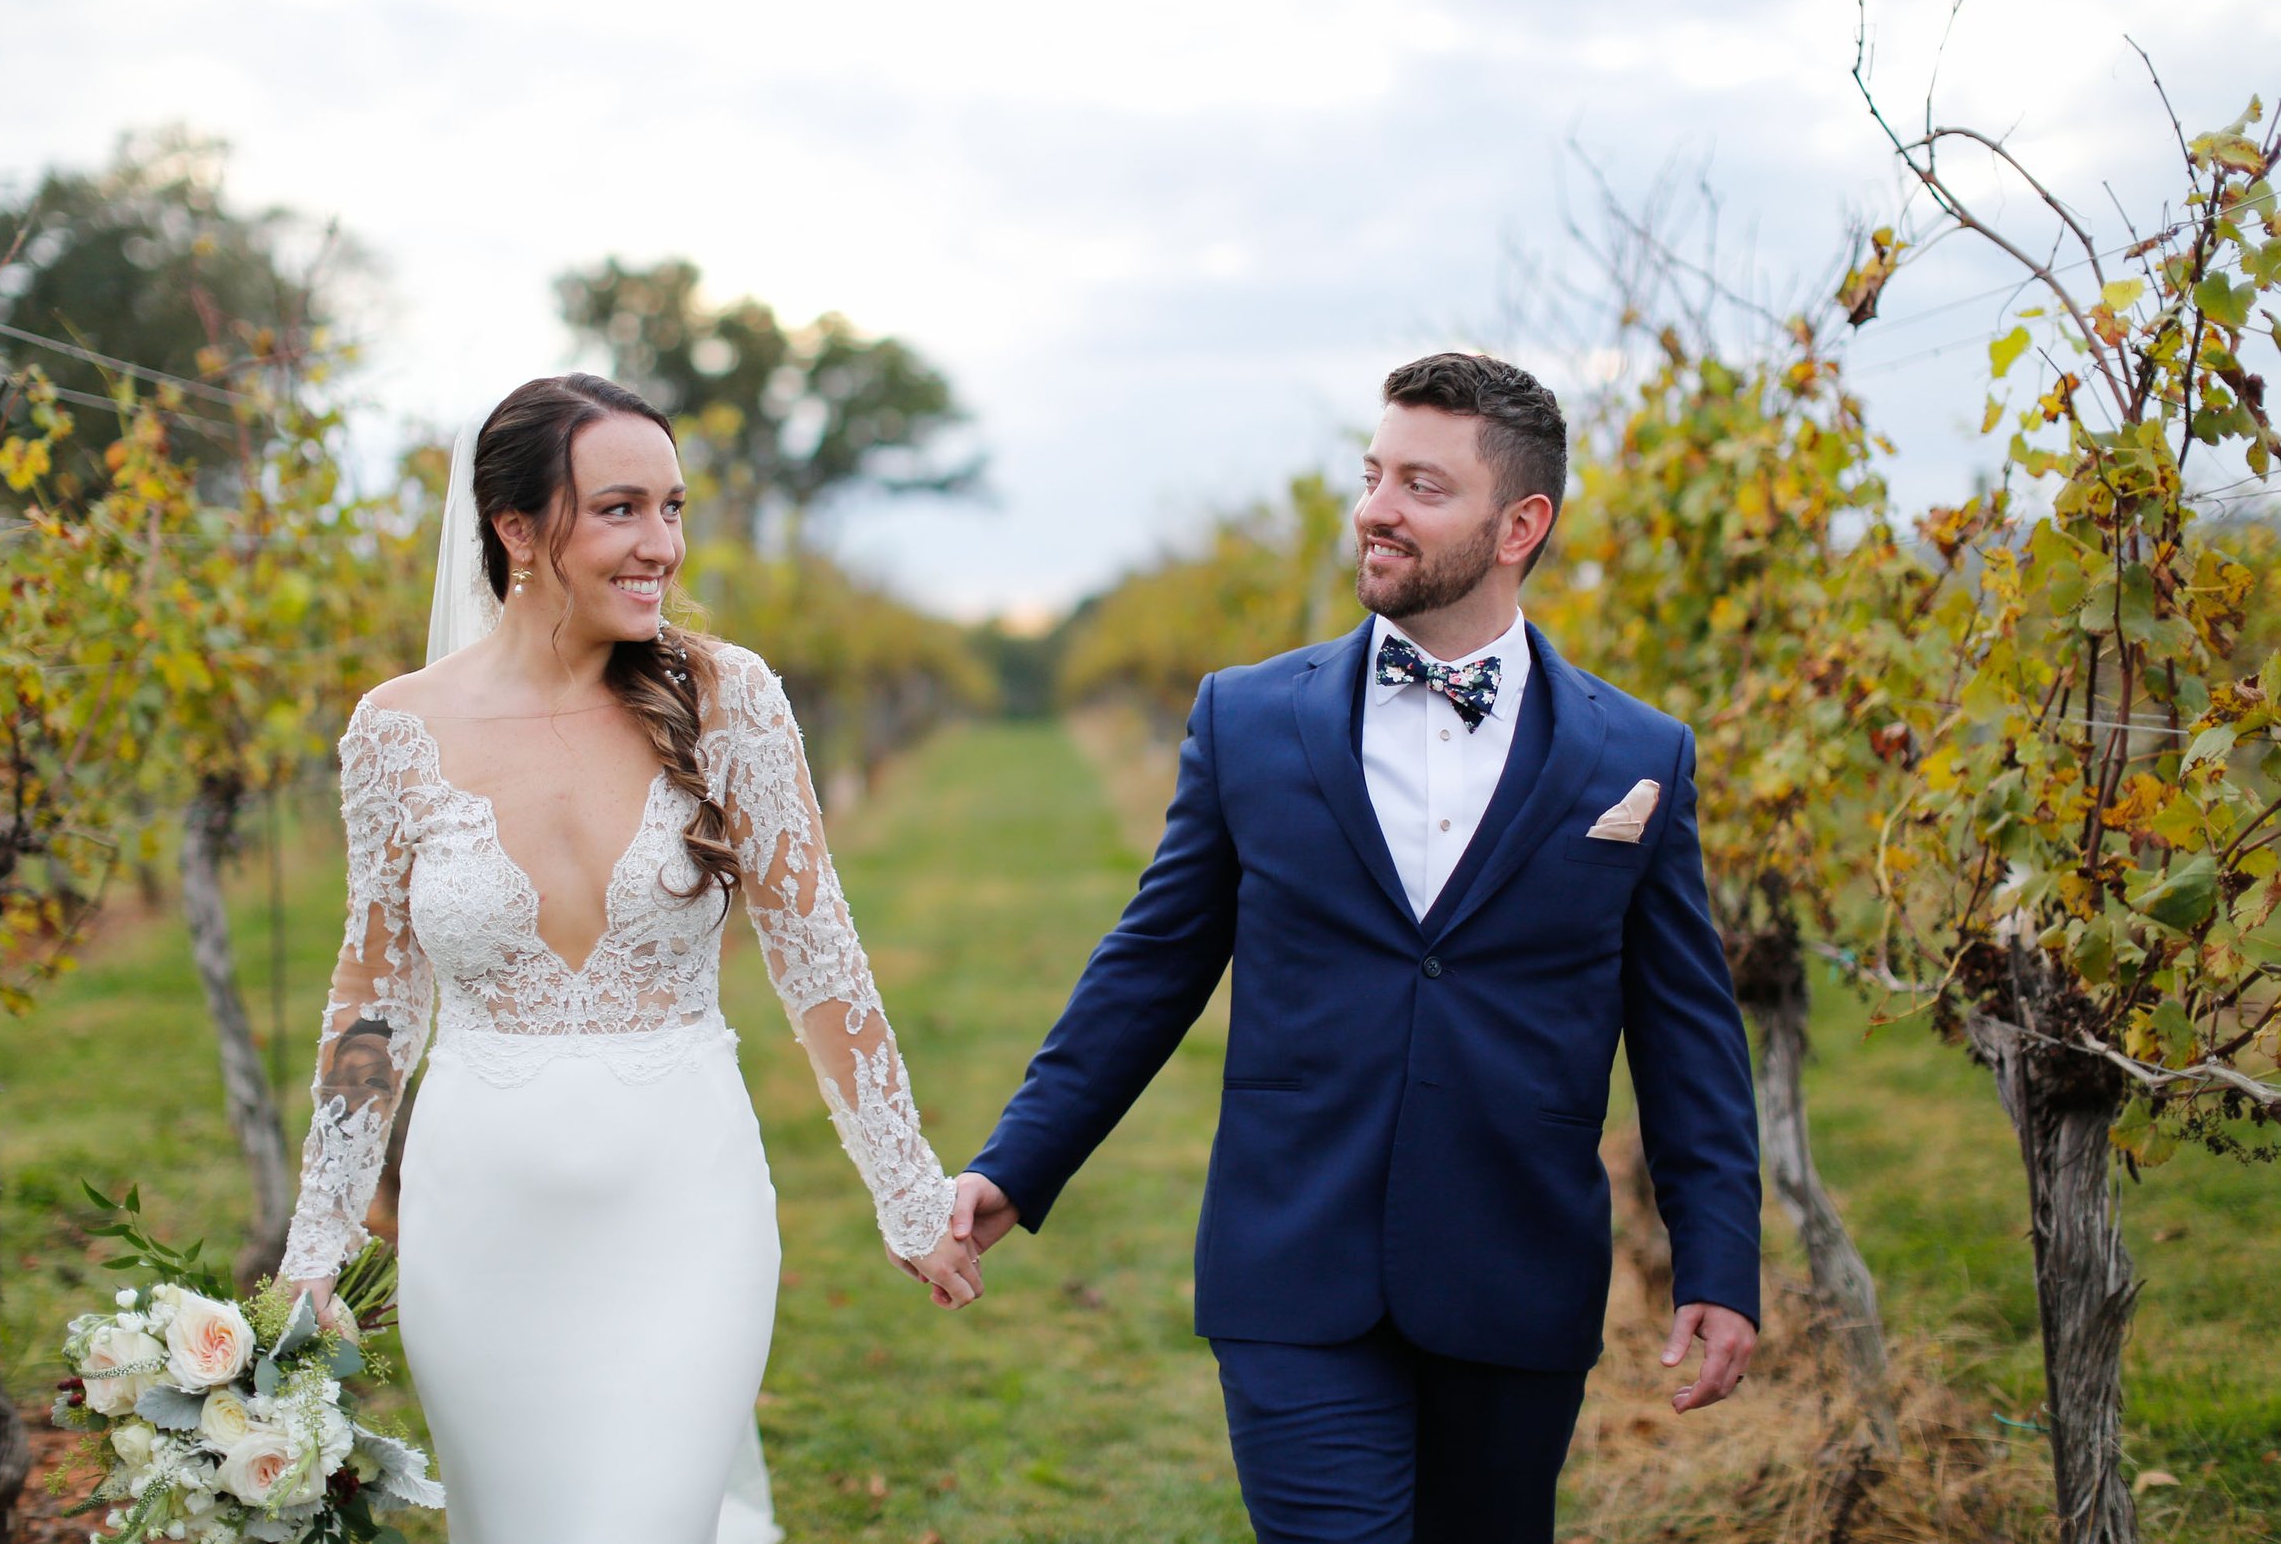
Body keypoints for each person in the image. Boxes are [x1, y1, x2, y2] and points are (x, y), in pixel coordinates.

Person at [951, 352, 1763, 1543]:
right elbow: (1153, 961)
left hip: (1515, 1265)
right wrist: (1016, 1163)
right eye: (1373, 471)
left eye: (1422, 485)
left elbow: (1688, 1029)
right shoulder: (1248, 718)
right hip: (1293, 1251)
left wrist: (1717, 1261)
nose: (1375, 506)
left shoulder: (1634, 755)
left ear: (1518, 524)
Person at [278, 373, 981, 1544]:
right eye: (620, 509)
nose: (663, 543)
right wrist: (320, 1234)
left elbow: (819, 958)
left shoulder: (729, 697)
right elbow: (375, 1003)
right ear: (515, 529)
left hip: (684, 1206)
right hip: (477, 1221)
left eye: (673, 506)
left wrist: (908, 1191)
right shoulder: (395, 729)